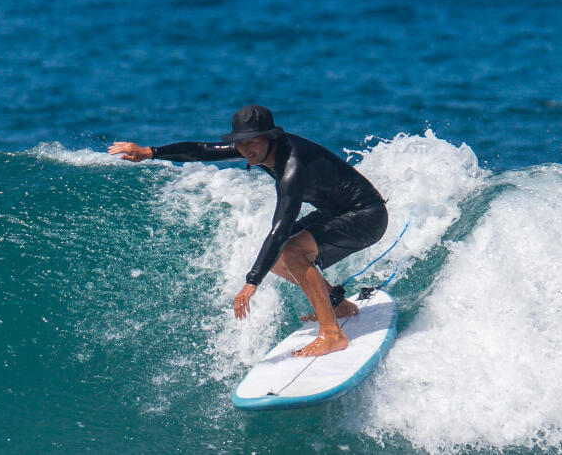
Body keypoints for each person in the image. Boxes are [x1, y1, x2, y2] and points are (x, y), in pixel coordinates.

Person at [108, 105, 387, 357]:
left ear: (271, 138)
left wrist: (252, 282)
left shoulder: (292, 166)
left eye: (254, 141)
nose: (247, 149)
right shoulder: (254, 148)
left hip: (367, 216)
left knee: (288, 249)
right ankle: (337, 305)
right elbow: (202, 150)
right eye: (241, 143)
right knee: (278, 257)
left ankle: (332, 334)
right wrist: (150, 152)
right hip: (335, 213)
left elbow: (280, 229)